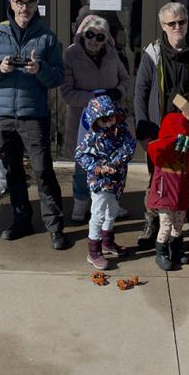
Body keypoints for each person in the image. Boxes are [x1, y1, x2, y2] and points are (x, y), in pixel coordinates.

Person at [0, 0, 69, 249]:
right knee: (13, 172)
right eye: (20, 2)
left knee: (43, 172)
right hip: (4, 116)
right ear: (12, 4)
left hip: (34, 115)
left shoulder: (47, 38)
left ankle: (55, 227)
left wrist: (40, 69)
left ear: (36, 5)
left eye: (29, 2)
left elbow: (58, 77)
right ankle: (21, 220)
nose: (25, 7)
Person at [134, 1, 189, 253]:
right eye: (171, 23)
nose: (177, 27)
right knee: (157, 181)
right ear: (163, 26)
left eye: (181, 21)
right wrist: (143, 129)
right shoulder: (152, 53)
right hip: (161, 135)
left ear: (187, 22)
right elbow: (141, 92)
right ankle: (152, 224)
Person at [60, 14, 129, 225]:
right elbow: (66, 92)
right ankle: (81, 201)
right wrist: (96, 99)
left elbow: (125, 79)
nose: (94, 40)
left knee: (110, 164)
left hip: (109, 124)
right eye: (90, 35)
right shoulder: (71, 55)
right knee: (85, 164)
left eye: (99, 37)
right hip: (83, 120)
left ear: (105, 38)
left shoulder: (111, 54)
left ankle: (109, 203)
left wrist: (118, 92)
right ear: (83, 34)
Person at [73, 94, 136, 270]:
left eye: (111, 118)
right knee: (98, 213)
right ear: (95, 121)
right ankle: (93, 251)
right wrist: (98, 168)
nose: (109, 123)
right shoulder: (92, 136)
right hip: (100, 180)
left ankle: (108, 242)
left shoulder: (121, 130)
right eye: (103, 120)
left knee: (113, 210)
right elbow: (80, 155)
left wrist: (117, 161)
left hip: (117, 178)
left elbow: (130, 145)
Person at [145, 112, 189, 271]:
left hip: (181, 200)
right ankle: (161, 253)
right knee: (165, 225)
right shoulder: (162, 155)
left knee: (178, 226)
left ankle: (176, 250)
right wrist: (173, 139)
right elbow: (153, 148)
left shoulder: (188, 160)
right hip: (165, 198)